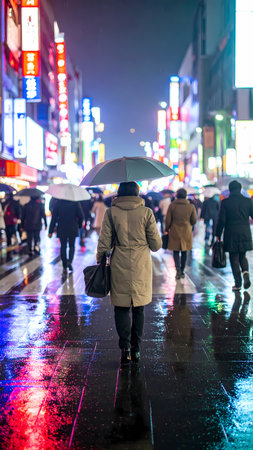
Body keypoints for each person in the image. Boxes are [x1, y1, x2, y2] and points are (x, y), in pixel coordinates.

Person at [96, 181, 162, 365]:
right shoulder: (146, 212)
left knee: (121, 306)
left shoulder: (111, 212)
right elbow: (156, 245)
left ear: (119, 193)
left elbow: (104, 241)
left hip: (119, 262)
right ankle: (136, 349)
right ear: (137, 193)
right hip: (141, 263)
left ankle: (124, 348)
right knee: (139, 307)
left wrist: (99, 258)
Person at [215, 180, 253, 291]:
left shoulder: (226, 202)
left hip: (231, 233)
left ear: (230, 190)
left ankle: (238, 284)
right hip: (245, 232)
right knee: (242, 256)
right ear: (240, 189)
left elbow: (221, 220)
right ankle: (245, 273)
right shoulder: (248, 201)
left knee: (234, 258)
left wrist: (218, 234)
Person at [165, 188, 197, 279]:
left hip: (175, 230)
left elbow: (168, 220)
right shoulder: (191, 207)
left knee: (175, 251)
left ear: (177, 195)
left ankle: (177, 270)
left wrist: (166, 229)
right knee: (184, 251)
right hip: (186, 231)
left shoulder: (172, 206)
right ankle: (182, 271)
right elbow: (194, 220)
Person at [48, 199, 84, 272]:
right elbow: (81, 216)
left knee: (63, 246)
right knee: (72, 246)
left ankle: (64, 264)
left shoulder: (58, 203)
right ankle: (69, 262)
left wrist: (50, 231)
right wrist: (79, 225)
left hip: (61, 227)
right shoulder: (75, 202)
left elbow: (54, 218)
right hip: (73, 227)